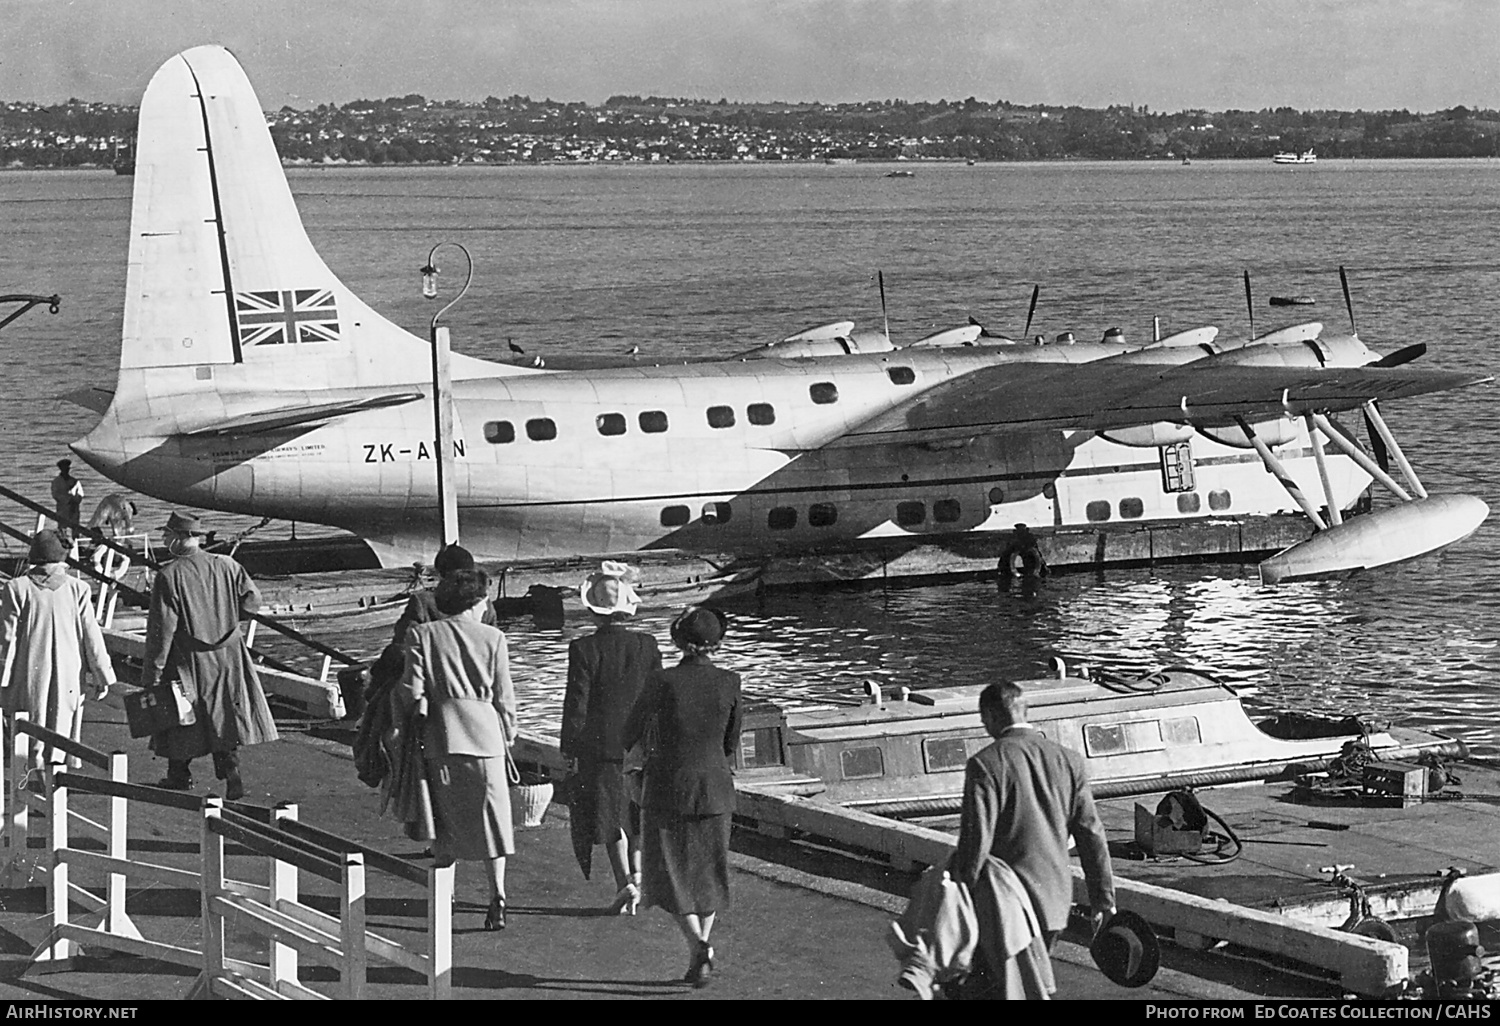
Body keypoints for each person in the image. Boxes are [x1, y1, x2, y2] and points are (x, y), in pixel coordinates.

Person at [950, 681, 1116, 998]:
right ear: (1024, 711)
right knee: (1027, 986)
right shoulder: (1069, 760)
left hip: (1003, 905)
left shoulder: (985, 764)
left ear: (990, 716)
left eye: (983, 719)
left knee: (989, 988)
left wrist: (961, 898)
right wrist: (1104, 901)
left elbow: (976, 844)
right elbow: (1091, 835)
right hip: (1053, 903)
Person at [623, 606, 741, 987]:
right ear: (716, 645)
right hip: (715, 787)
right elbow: (730, 742)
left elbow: (631, 731)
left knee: (666, 874)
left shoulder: (662, 681)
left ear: (678, 640)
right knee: (708, 874)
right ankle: (700, 949)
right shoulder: (730, 681)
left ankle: (698, 946)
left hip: (666, 787)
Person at [396, 569, 517, 931]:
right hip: (486, 738)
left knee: (445, 820)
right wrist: (508, 733)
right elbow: (504, 697)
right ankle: (497, 897)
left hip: (442, 737)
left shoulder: (422, 635)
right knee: (492, 821)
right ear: (478, 602)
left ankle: (444, 896)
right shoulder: (494, 638)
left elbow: (411, 690)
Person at [140, 512, 278, 799]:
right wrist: (229, 619)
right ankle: (231, 769)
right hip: (228, 654)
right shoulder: (227, 565)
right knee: (225, 711)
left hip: (188, 658)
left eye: (166, 535)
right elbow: (253, 601)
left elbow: (161, 633)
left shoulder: (169, 575)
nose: (164, 540)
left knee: (181, 717)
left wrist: (152, 674)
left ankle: (179, 774)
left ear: (179, 538)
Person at [561, 561, 662, 914]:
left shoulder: (583, 649)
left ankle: (625, 884)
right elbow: (657, 698)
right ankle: (637, 875)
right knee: (635, 813)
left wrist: (568, 747)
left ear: (594, 610)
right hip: (641, 744)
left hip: (600, 746)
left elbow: (577, 704)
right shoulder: (648, 645)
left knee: (610, 818)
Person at [0, 530, 115, 767]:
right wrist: (103, 675)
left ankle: (34, 776)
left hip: (28, 671)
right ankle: (58, 776)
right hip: (69, 672)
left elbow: (7, 639)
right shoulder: (78, 588)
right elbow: (92, 636)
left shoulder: (16, 588)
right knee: (63, 721)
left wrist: (3, 678)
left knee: (31, 722)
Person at [389, 543, 496, 648]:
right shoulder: (485, 604)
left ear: (440, 573)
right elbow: (493, 644)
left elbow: (403, 642)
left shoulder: (422, 601)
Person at [88, 495, 138, 573]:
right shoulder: (129, 509)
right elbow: (130, 527)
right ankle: (117, 551)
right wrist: (129, 542)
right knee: (117, 531)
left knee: (95, 523)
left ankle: (91, 540)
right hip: (116, 507)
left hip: (106, 502)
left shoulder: (123, 503)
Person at [49, 459, 84, 541]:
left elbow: (81, 494)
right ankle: (63, 546)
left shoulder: (75, 481)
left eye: (67, 468)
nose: (66, 470)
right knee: (62, 528)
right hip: (63, 508)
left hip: (74, 508)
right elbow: (55, 495)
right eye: (64, 469)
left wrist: (75, 499)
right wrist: (68, 498)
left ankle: (76, 547)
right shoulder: (56, 482)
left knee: (75, 528)